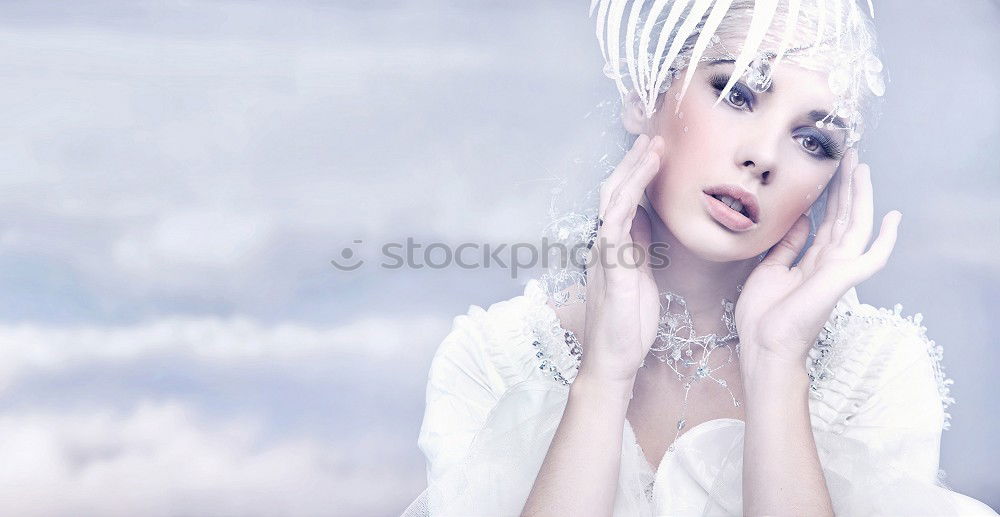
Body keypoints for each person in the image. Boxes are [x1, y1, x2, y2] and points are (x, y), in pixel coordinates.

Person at [401, 1, 998, 515]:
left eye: (814, 140)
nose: (764, 156)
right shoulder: (494, 361)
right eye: (736, 92)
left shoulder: (874, 370)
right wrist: (603, 378)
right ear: (646, 94)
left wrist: (777, 368)